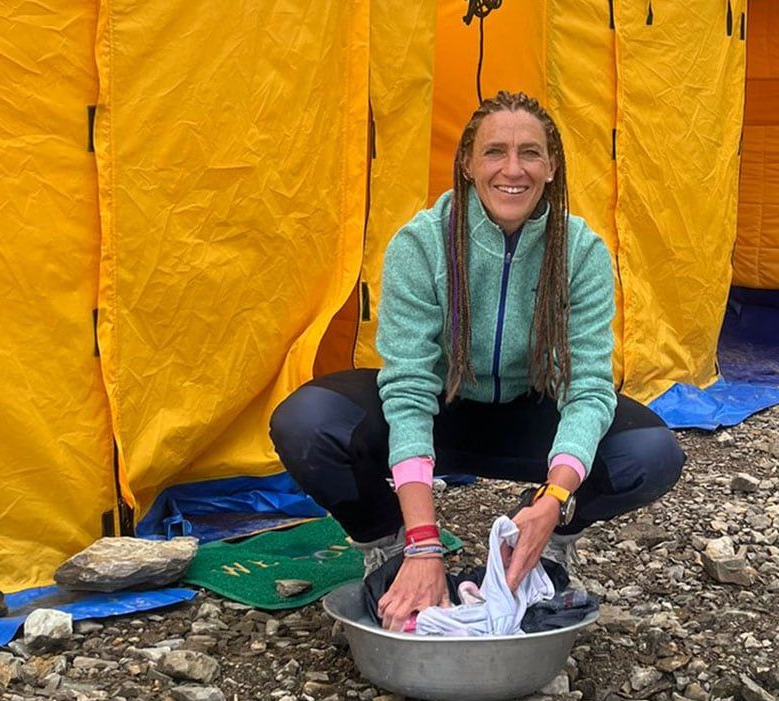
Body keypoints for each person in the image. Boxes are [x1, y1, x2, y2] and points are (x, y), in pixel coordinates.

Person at [269, 91, 685, 632]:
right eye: (495, 152)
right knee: (308, 422)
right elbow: (411, 388)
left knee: (651, 453)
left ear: (552, 166)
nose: (513, 170)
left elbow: (587, 387)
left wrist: (554, 497)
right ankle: (389, 545)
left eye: (531, 153)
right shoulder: (421, 244)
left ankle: (545, 540)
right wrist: (424, 545)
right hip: (443, 406)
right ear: (467, 164)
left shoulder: (580, 252)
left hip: (530, 412)